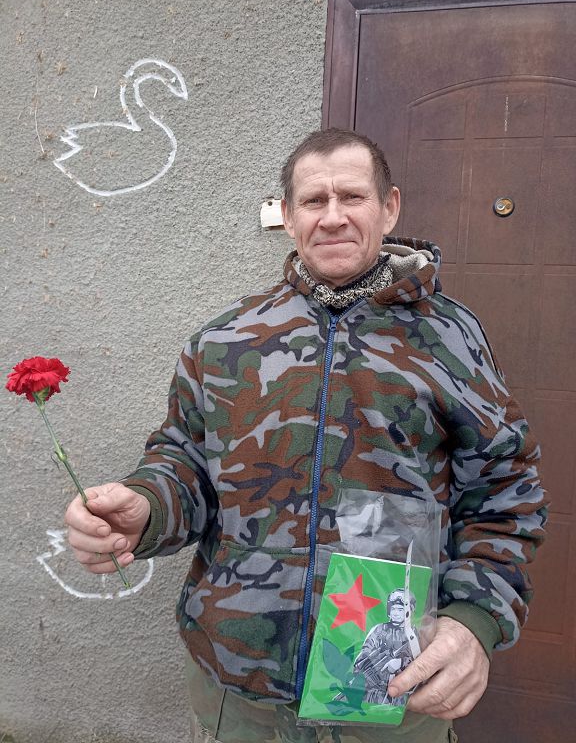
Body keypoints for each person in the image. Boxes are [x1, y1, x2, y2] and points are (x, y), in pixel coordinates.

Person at [65, 128, 547, 743]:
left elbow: (506, 493)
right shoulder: (226, 341)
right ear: (289, 217)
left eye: (353, 197)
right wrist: (146, 508)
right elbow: (185, 463)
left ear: (389, 208)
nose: (333, 216)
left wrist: (474, 620)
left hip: (390, 688)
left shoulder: (451, 340)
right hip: (240, 689)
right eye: (314, 201)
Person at [352, 590, 417, 707]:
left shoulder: (413, 634)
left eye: (400, 609)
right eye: (393, 609)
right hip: (372, 691)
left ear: (409, 611)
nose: (395, 613)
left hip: (400, 695)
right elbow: (365, 652)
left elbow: (418, 658)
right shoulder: (379, 630)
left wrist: (401, 663)